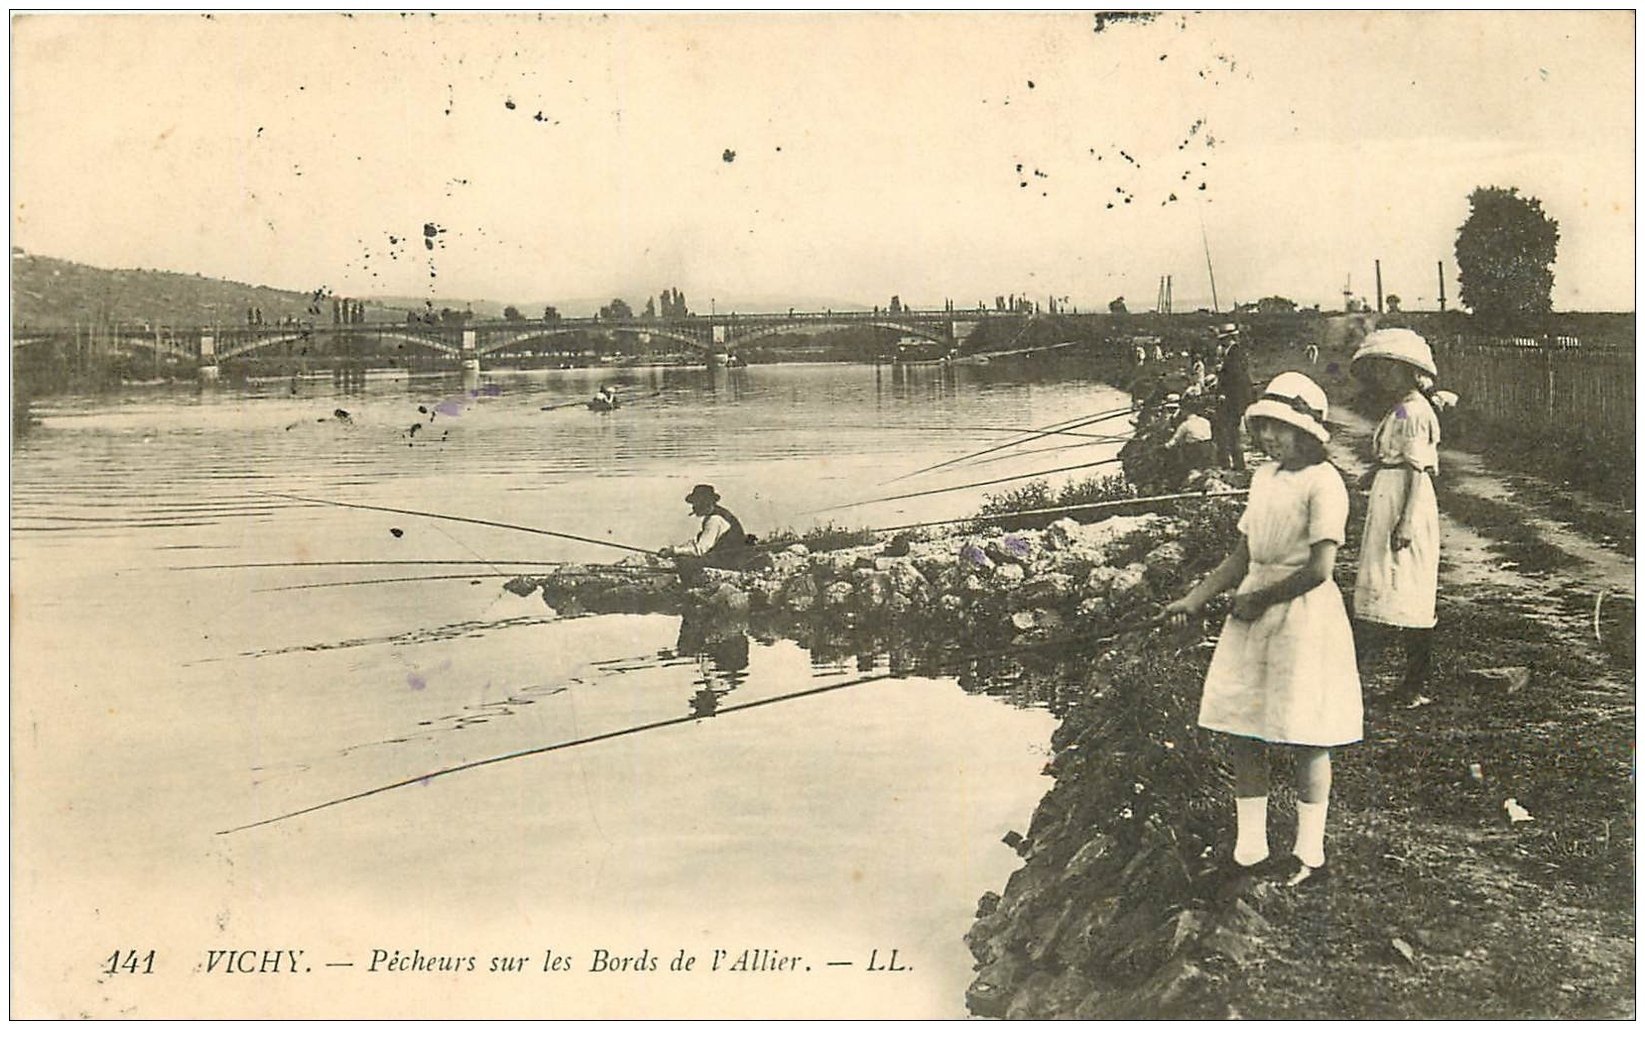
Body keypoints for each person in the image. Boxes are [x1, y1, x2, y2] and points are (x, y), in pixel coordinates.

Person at [1161, 372, 1362, 888]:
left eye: (1282, 428)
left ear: (1309, 433)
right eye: (1265, 426)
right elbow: (1242, 555)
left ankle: (1309, 854)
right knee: (1244, 728)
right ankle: (1249, 850)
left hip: (1303, 617)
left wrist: (1259, 599)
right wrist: (1193, 599)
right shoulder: (1264, 478)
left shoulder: (1325, 483)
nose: (1271, 437)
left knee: (1306, 734)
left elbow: (1320, 569)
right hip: (1253, 610)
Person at [1349, 329, 1442, 703]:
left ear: (1407, 371)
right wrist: (1376, 471)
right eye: (1380, 370)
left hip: (1407, 501)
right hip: (1390, 493)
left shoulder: (1416, 410)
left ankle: (1414, 684)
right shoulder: (1402, 407)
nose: (1383, 377)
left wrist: (1406, 521)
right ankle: (1365, 675)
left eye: (1390, 370)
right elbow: (1398, 452)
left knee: (1407, 585)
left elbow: (1419, 467)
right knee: (1383, 581)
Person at [660, 484, 753, 569]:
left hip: (730, 561)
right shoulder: (717, 514)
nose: (693, 507)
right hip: (729, 556)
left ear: (704, 503)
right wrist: (676, 548)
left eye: (695, 503)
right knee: (683, 557)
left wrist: (674, 551)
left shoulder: (715, 519)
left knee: (684, 562)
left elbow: (700, 550)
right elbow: (698, 541)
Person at [1213, 323, 1254, 470]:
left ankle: (1236, 464)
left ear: (1229, 338)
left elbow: (1236, 378)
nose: (1221, 342)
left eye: (1223, 339)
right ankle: (1235, 463)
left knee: (1230, 431)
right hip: (1233, 399)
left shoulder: (1235, 353)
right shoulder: (1231, 352)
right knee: (1231, 431)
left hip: (1233, 399)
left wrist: (1224, 392)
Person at [1162, 398, 1216, 482]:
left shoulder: (1185, 424)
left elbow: (1175, 440)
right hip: (1208, 448)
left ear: (1186, 412)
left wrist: (1164, 447)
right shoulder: (1205, 421)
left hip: (1194, 450)